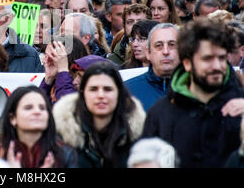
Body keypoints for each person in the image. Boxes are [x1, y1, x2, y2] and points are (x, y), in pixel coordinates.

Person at [142, 19, 244, 167]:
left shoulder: (240, 107)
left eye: (221, 58)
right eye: (207, 59)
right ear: (187, 63)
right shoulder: (160, 114)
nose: (217, 66)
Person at [52, 61, 146, 168]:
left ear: (119, 93)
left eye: (108, 89)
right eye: (93, 89)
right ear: (82, 93)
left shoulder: (138, 136)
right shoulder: (62, 138)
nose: (101, 95)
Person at [0, 85, 77, 168]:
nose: (37, 112)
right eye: (28, 108)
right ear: (13, 118)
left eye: (42, 108)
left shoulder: (65, 154)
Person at [125, 23, 180, 111]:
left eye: (172, 45)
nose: (165, 51)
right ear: (148, 53)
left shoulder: (197, 88)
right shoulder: (128, 90)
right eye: (158, 45)